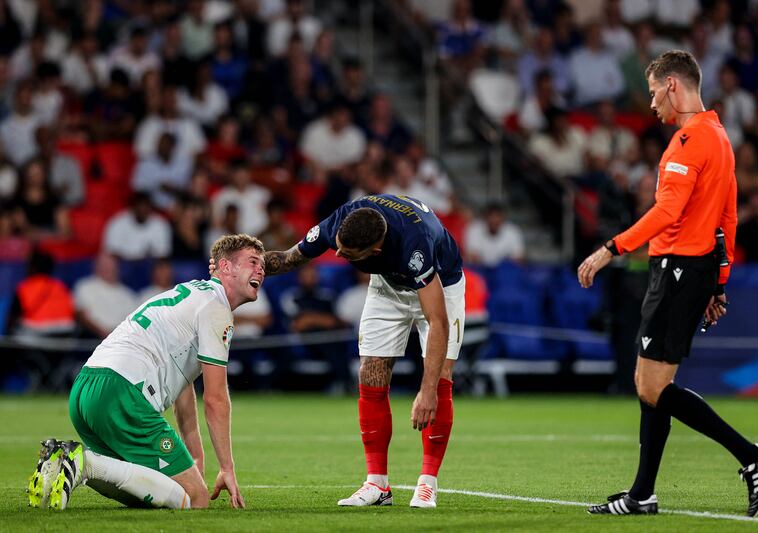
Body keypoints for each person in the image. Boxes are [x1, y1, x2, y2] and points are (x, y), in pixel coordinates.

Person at [577, 50, 758, 518]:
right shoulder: (721, 137)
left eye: (653, 93)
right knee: (653, 384)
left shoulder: (690, 140)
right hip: (695, 270)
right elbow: (728, 218)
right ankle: (642, 494)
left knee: (650, 387)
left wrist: (610, 249)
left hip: (678, 269)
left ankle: (752, 456)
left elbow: (667, 213)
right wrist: (720, 283)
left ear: (673, 85)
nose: (651, 106)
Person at [212, 194, 465, 508]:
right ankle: (377, 485)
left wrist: (426, 392)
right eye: (339, 247)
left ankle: (427, 482)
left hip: (442, 286)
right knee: (370, 373)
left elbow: (437, 320)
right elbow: (290, 258)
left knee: (440, 378)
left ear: (376, 250)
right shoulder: (341, 222)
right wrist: (242, 269)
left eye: (348, 254)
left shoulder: (415, 246)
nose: (340, 253)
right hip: (387, 285)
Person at [27, 234, 264, 510]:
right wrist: (227, 468)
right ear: (225, 267)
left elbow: (183, 390)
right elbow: (215, 400)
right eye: (252, 261)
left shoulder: (191, 294)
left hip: (86, 388)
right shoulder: (217, 308)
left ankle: (64, 462)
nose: (261, 269)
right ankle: (85, 463)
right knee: (196, 499)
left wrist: (195, 458)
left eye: (262, 265)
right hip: (122, 393)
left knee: (151, 489)